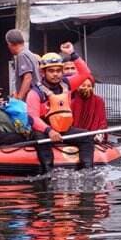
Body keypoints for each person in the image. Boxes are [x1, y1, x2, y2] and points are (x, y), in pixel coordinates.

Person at [26, 42, 95, 171]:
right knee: (42, 142)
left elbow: (86, 73)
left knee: (86, 136)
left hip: (63, 128)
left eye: (58, 70)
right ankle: (48, 173)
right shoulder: (35, 93)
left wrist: (72, 54)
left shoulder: (67, 84)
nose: (56, 74)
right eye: (51, 71)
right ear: (43, 73)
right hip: (43, 131)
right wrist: (49, 131)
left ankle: (87, 171)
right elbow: (32, 118)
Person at [5, 29, 41, 101]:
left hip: (29, 98)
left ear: (10, 44)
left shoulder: (22, 55)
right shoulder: (30, 54)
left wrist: (19, 98)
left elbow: (28, 78)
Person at [71, 76, 108, 142]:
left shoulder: (99, 101)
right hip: (76, 136)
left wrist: (100, 132)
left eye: (89, 86)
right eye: (83, 85)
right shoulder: (72, 103)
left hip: (93, 136)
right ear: (77, 87)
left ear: (92, 87)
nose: (86, 88)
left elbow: (102, 121)